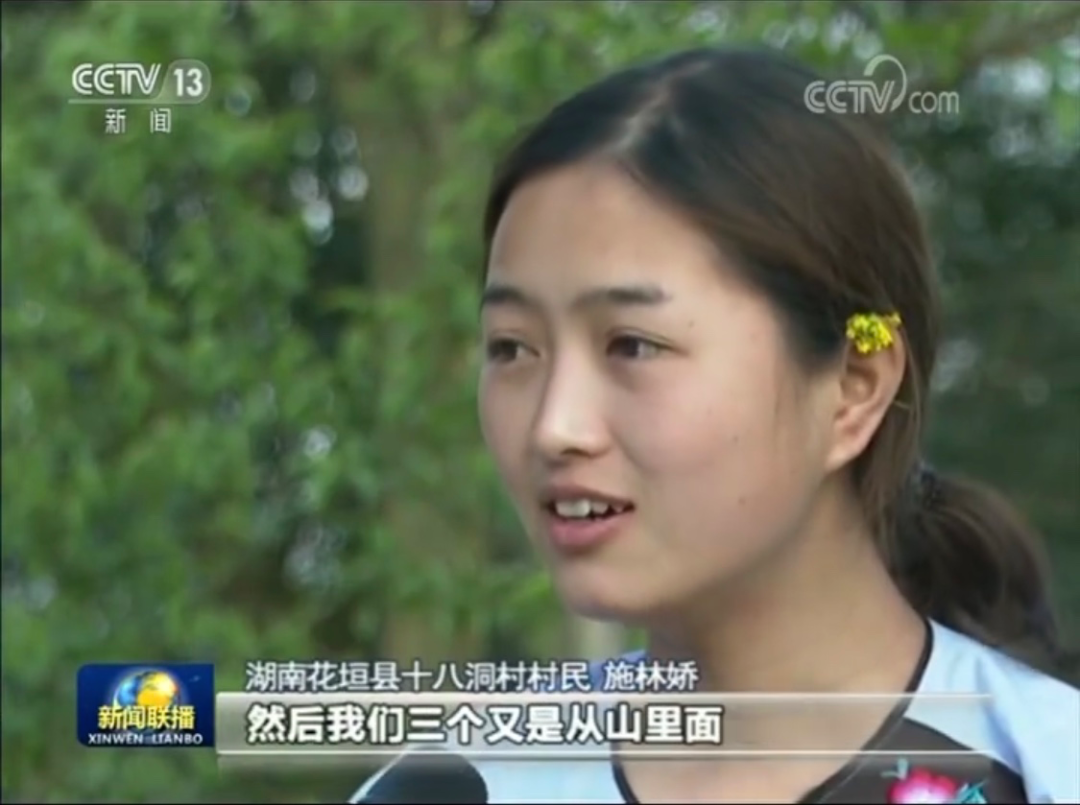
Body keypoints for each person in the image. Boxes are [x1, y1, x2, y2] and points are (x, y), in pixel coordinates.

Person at [351, 45, 1079, 804]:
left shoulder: (1046, 766)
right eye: (512, 348)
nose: (553, 427)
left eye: (633, 345)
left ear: (853, 386)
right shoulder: (454, 786)